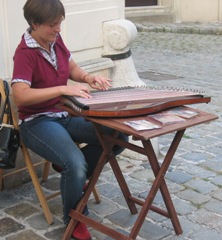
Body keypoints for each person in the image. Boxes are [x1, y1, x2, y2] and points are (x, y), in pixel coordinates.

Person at [11, 0, 128, 239]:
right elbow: (21, 96)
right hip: (37, 122)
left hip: (65, 114)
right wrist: (61, 90)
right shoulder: (25, 53)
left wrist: (87, 77)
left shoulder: (56, 41)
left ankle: (73, 177)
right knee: (74, 163)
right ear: (35, 24)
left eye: (60, 23)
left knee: (118, 136)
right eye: (53, 25)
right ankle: (74, 221)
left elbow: (72, 67)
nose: (58, 29)